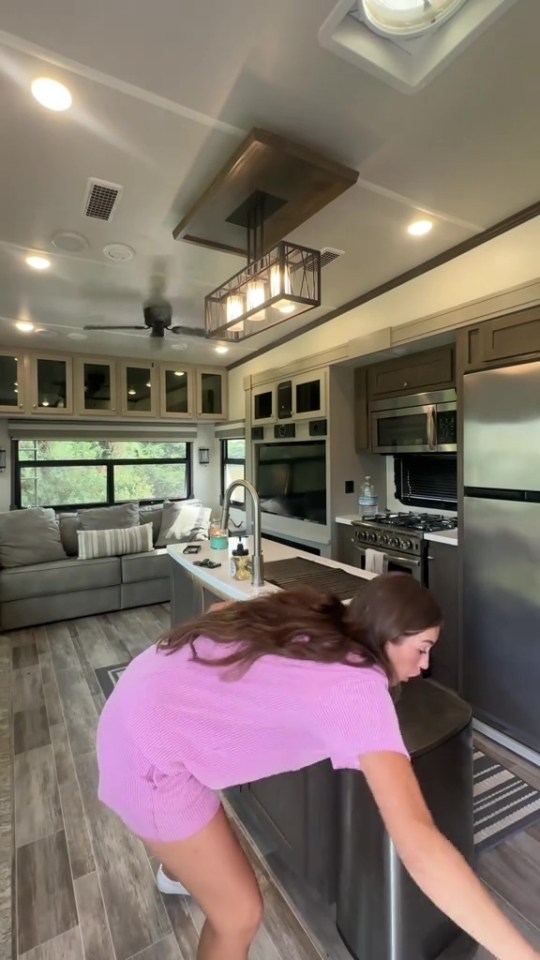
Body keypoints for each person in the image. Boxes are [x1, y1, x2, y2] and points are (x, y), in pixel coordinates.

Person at [96, 573, 539, 960]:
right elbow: (419, 843)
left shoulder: (328, 614)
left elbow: (221, 609)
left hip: (143, 690)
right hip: (146, 759)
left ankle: (180, 866)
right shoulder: (356, 692)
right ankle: (182, 863)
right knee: (240, 914)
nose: (424, 667)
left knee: (209, 861)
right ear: (388, 634)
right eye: (422, 649)